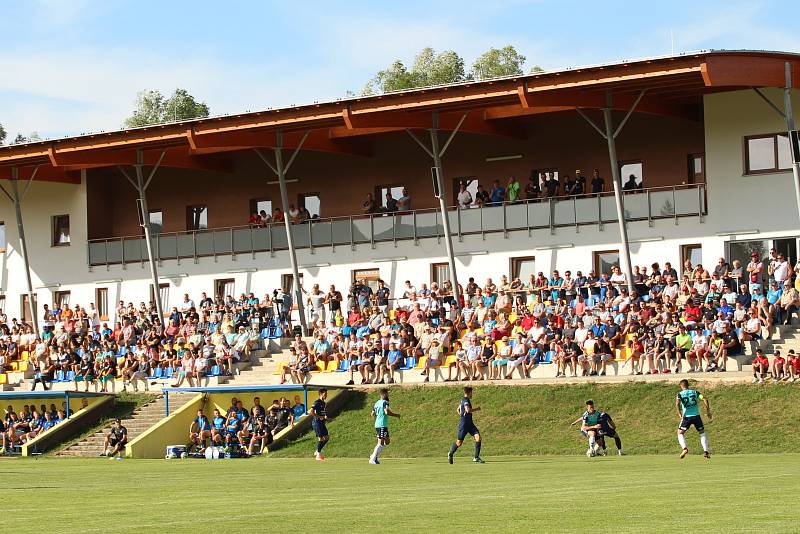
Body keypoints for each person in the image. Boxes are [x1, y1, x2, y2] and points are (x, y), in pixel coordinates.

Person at [675, 379, 711, 459]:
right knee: (702, 433)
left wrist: (679, 413)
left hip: (687, 417)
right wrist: (708, 411)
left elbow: (677, 403)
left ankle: (684, 448)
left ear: (681, 386)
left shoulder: (679, 394)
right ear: (688, 385)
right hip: (696, 416)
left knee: (680, 433)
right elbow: (704, 398)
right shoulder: (695, 392)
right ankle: (706, 451)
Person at [447, 387, 484, 464]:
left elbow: (458, 409)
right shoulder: (466, 400)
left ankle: (476, 457)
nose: (472, 394)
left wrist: (461, 414)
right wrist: (477, 409)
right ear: (469, 392)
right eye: (471, 393)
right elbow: (467, 410)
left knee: (478, 437)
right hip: (464, 425)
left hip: (470, 424)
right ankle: (450, 453)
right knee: (459, 442)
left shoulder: (462, 400)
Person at [369, 388, 401, 465]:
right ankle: (373, 458)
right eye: (387, 393)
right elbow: (386, 412)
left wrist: (378, 418)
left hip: (379, 424)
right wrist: (396, 415)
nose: (387, 395)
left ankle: (374, 455)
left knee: (387, 441)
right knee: (380, 443)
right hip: (382, 425)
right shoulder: (385, 402)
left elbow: (372, 414)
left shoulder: (376, 403)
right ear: (383, 394)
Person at [310, 388, 330, 461]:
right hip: (316, 422)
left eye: (326, 394)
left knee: (327, 438)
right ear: (321, 394)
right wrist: (319, 417)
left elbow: (322, 413)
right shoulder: (317, 402)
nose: (326, 395)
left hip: (321, 423)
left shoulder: (324, 403)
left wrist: (325, 418)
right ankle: (318, 455)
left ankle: (317, 451)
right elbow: (311, 412)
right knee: (321, 438)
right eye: (325, 394)